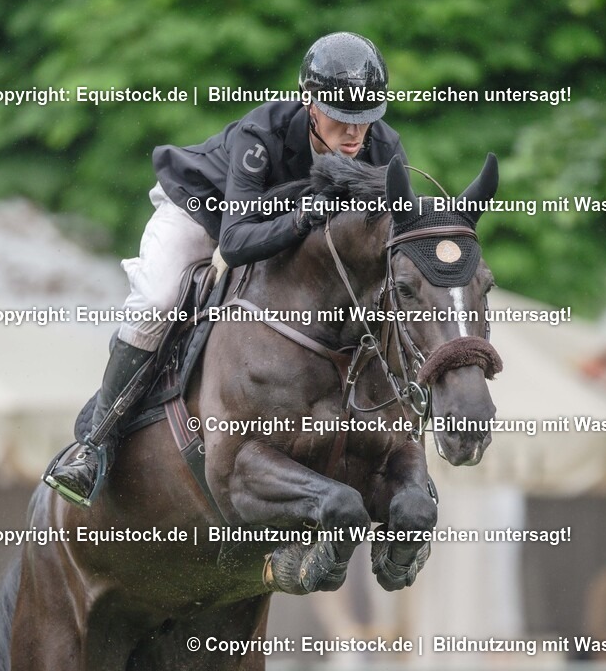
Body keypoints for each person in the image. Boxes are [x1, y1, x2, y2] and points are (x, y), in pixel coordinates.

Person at [44, 31, 408, 507]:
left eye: (366, 118)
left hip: (280, 235)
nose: (356, 134)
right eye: (341, 118)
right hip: (204, 213)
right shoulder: (263, 134)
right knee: (157, 300)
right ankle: (96, 446)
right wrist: (301, 218)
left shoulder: (384, 147)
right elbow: (234, 242)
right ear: (309, 102)